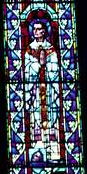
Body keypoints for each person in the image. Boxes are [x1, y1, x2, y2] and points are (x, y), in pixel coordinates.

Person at [25, 19, 60, 161]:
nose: (36, 31)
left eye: (39, 29)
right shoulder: (29, 49)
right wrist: (37, 66)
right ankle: (38, 146)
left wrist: (46, 66)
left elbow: (55, 69)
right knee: (36, 117)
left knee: (51, 117)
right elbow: (27, 69)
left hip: (49, 90)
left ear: (44, 31)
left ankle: (53, 148)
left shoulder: (51, 49)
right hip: (36, 90)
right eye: (34, 29)